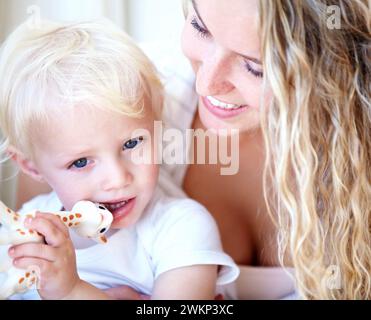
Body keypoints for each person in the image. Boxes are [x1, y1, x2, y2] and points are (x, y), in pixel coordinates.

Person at [11, 0, 370, 299]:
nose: (206, 82)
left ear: (332, 67)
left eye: (255, 67)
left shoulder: (177, 222)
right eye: (200, 27)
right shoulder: (95, 102)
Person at [0, 19, 239, 300]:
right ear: (30, 166)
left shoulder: (182, 229)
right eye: (80, 162)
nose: (117, 179)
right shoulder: (25, 231)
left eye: (132, 143)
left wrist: (72, 291)